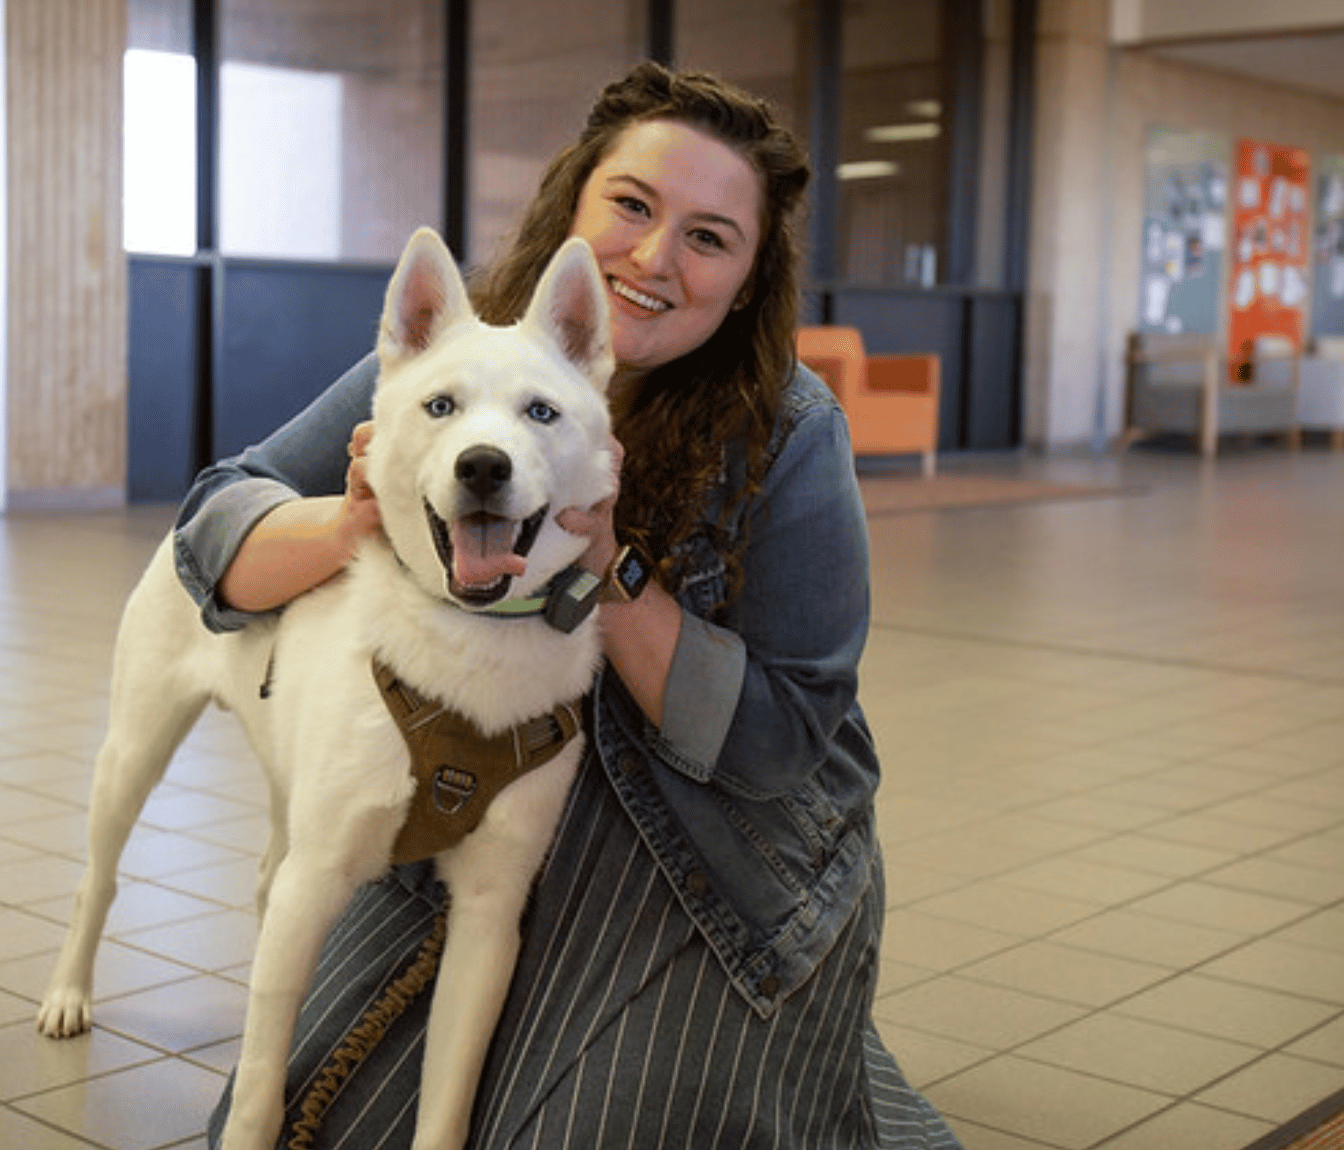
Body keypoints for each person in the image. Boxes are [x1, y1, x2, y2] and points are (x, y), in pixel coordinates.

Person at [174, 61, 962, 1149]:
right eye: (631, 206)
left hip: (702, 849)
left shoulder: (787, 429)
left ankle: (811, 1032)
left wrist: (605, 567)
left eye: (706, 236)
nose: (652, 256)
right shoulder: (455, 365)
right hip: (471, 810)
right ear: (571, 208)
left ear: (745, 279)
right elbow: (213, 526)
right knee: (322, 1119)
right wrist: (352, 516)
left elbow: (781, 741)